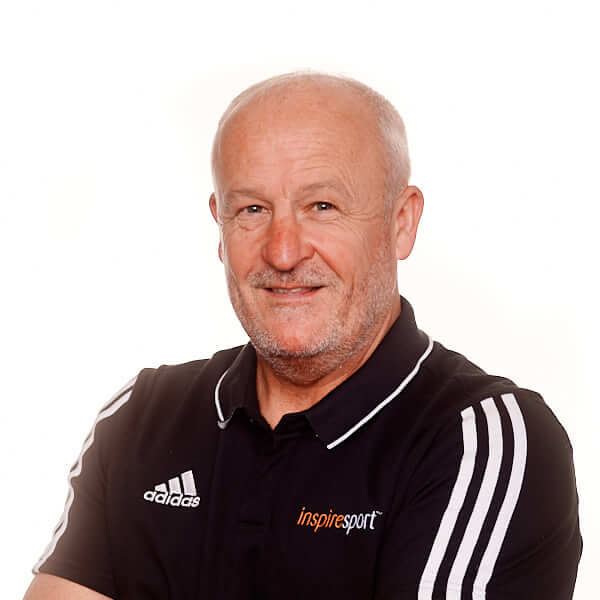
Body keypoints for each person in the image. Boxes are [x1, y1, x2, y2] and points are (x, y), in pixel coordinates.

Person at [24, 72, 582, 599]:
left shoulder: (479, 440)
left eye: (322, 206)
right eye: (252, 209)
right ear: (220, 226)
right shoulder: (140, 418)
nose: (283, 251)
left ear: (401, 222)